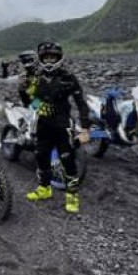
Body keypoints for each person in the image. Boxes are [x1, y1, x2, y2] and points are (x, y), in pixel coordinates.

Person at [25, 41, 91, 213]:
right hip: (43, 124)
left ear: (59, 58)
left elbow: (81, 103)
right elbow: (30, 100)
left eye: (52, 57)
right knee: (41, 156)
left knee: (67, 159)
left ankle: (72, 196)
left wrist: (85, 128)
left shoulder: (68, 77)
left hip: (63, 124)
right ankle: (44, 188)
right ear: (40, 59)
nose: (49, 61)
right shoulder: (36, 78)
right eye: (45, 57)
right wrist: (35, 104)